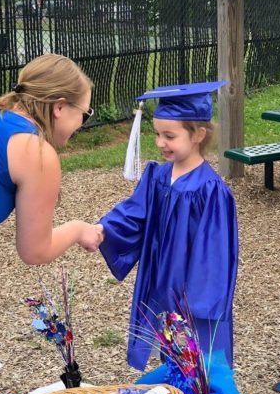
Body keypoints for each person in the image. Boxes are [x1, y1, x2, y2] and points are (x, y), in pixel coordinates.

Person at [96, 82, 238, 371]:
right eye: (158, 134)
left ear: (198, 134)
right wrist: (103, 230)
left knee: (198, 360)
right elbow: (135, 214)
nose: (160, 143)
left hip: (190, 291)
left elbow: (214, 252)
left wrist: (196, 302)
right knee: (170, 355)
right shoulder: (158, 177)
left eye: (169, 136)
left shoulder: (210, 190)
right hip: (162, 281)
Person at [0, 53, 102, 303]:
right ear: (59, 107)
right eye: (85, 113)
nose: (81, 124)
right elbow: (35, 251)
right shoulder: (36, 153)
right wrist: (78, 229)